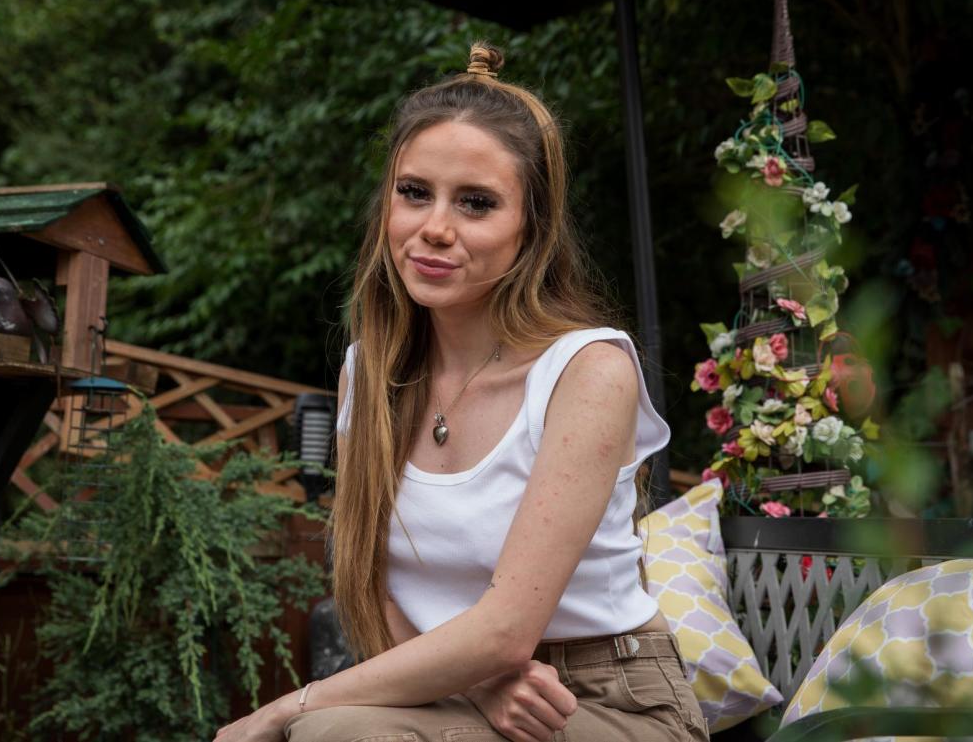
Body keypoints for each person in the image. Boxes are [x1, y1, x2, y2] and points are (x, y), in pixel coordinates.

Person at [214, 42, 709, 742]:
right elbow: (371, 577)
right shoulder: (373, 368)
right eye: (414, 192)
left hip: (602, 699)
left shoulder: (587, 371)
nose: (435, 228)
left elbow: (508, 627)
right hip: (460, 687)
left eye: (476, 203)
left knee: (329, 733)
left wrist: (283, 705)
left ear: (531, 231)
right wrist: (477, 682)